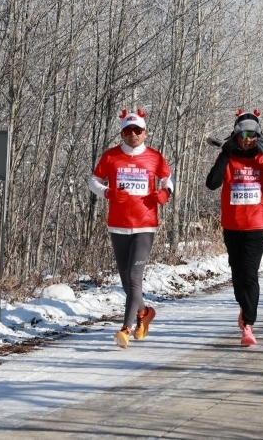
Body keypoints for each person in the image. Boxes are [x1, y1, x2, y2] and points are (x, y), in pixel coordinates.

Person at [206, 109, 263, 346]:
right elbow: (211, 183)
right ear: (235, 134)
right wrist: (224, 154)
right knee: (237, 275)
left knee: (250, 274)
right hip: (232, 225)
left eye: (253, 135)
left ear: (259, 136)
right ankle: (244, 307)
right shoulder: (229, 155)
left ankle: (249, 326)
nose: (247, 139)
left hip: (257, 225)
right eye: (242, 133)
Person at [89, 109, 173, 349]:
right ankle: (144, 312)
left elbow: (169, 180)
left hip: (145, 224)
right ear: (122, 134)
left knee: (135, 277)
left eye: (138, 131)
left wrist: (166, 193)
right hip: (118, 224)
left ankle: (125, 328)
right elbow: (93, 181)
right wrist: (107, 192)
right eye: (128, 131)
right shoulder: (111, 157)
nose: (133, 135)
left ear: (145, 133)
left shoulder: (155, 157)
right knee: (126, 281)